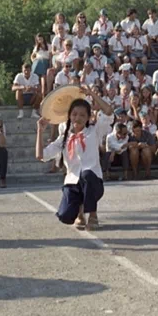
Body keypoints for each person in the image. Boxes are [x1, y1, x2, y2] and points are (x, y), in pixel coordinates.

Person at [35, 89, 113, 230]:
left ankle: (93, 215)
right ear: (69, 116)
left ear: (88, 117)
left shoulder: (94, 131)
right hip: (73, 182)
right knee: (65, 216)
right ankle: (79, 211)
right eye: (75, 114)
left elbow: (108, 111)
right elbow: (41, 155)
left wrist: (92, 93)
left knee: (87, 174)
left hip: (93, 182)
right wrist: (40, 130)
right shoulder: (64, 138)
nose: (78, 118)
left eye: (83, 115)